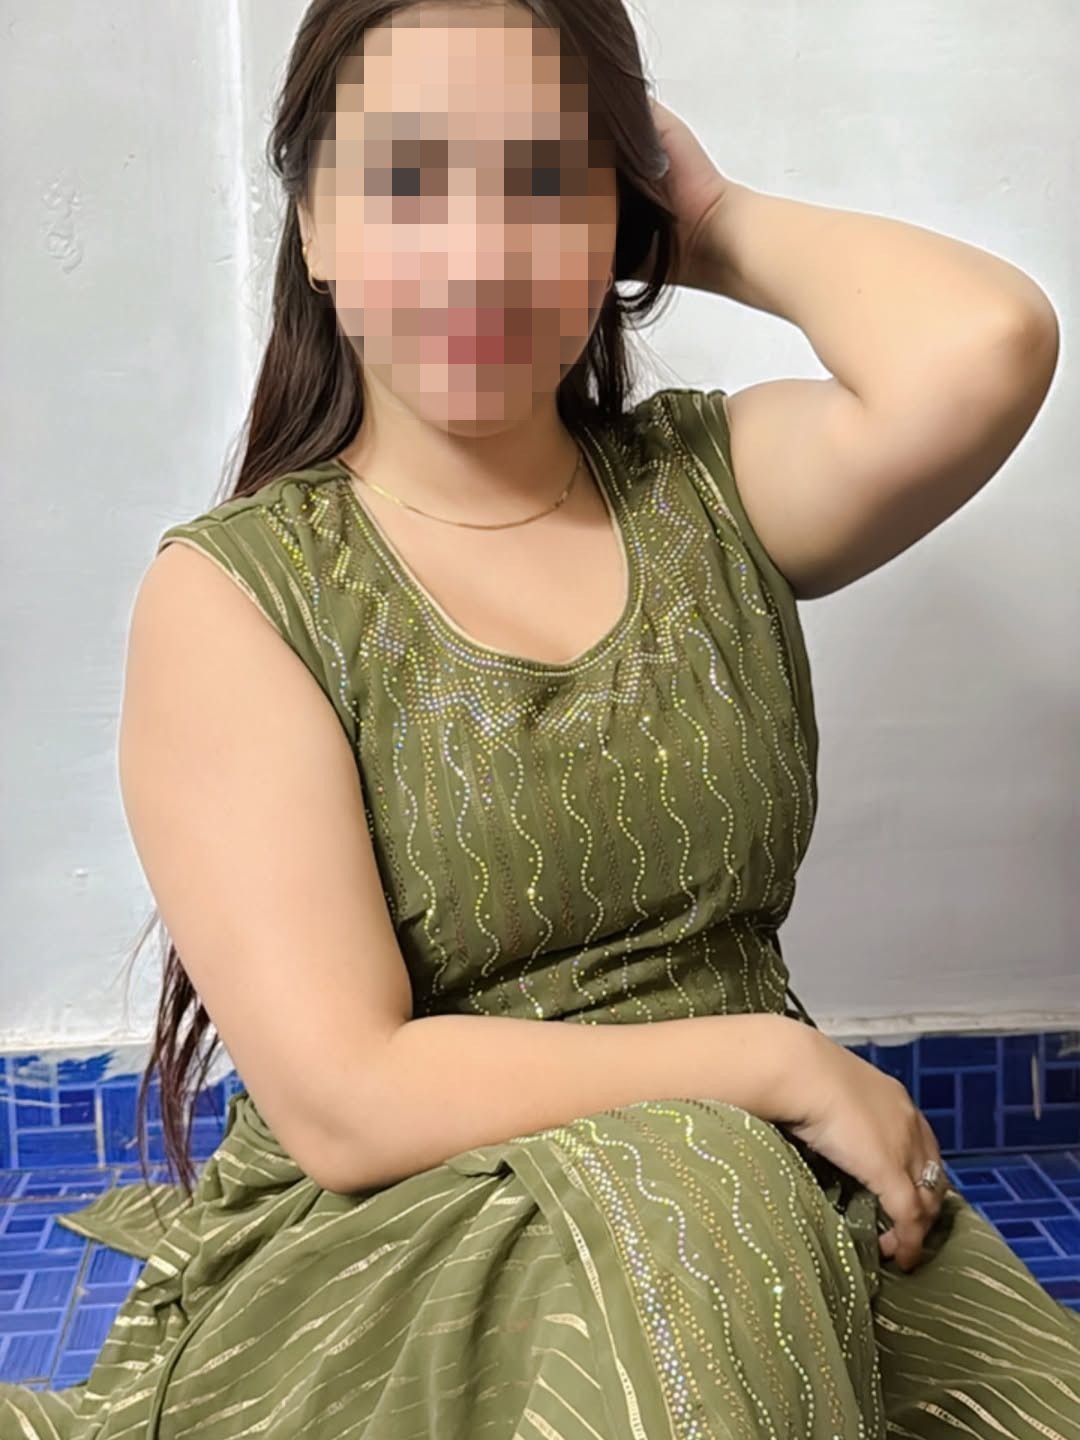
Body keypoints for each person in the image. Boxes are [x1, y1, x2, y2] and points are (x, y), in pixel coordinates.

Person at [3, 0, 1071, 1435]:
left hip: (776, 1196)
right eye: (408, 178)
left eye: (545, 181)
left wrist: (711, 222)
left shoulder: (714, 488)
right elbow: (350, 1098)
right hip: (425, 1219)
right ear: (314, 224)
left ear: (619, 224)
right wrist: (767, 1062)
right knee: (704, 1207)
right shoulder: (242, 597)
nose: (478, 250)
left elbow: (989, 342)